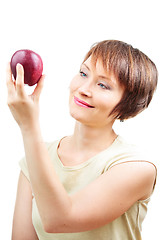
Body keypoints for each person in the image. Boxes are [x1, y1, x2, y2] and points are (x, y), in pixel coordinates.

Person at [7, 40, 158, 240]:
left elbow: (59, 220)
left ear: (128, 106)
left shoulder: (136, 168)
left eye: (103, 85)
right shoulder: (35, 158)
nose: (84, 89)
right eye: (83, 73)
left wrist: (28, 126)